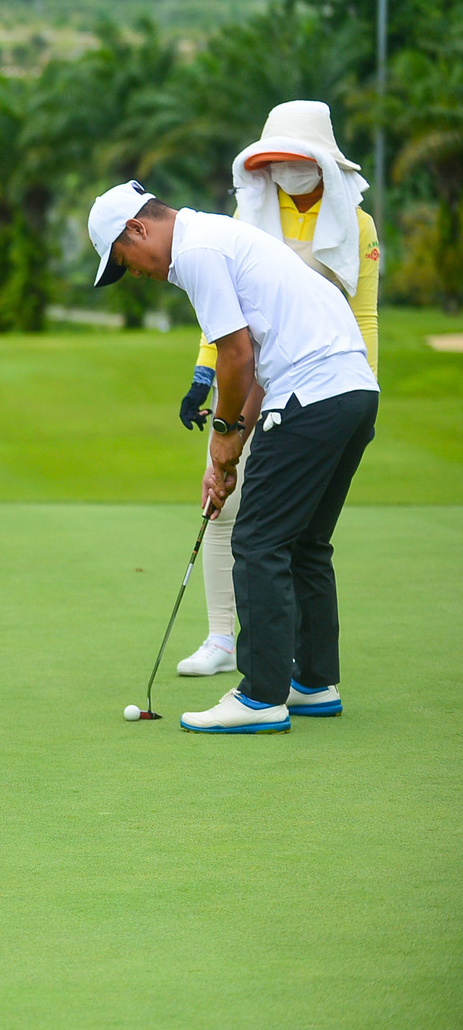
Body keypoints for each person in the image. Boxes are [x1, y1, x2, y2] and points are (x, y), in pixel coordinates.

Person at [89, 180, 378, 734]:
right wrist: (226, 452)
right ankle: (313, 684)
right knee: (305, 543)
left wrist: (222, 435)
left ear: (138, 228)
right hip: (352, 393)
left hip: (311, 395)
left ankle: (260, 696)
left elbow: (236, 354)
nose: (138, 274)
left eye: (126, 260)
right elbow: (260, 366)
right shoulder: (220, 235)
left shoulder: (196, 252)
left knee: (258, 541)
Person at [172, 102, 380, 680]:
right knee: (223, 507)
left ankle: (277, 671)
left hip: (317, 385)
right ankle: (223, 637)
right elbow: (226, 320)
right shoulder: (251, 212)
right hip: (249, 383)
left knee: (282, 534)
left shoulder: (355, 224)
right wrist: (203, 376)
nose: (282, 168)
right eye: (273, 158)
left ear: (319, 159)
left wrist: (365, 387)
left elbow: (363, 316)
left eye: (293, 156)